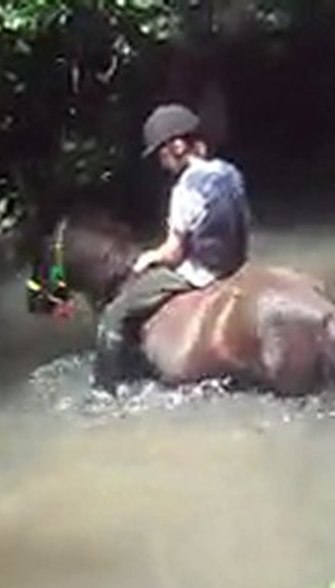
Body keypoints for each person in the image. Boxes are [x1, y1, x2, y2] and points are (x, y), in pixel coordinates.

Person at [93, 103, 251, 391]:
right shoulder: (229, 172)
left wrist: (148, 258)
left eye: (160, 153)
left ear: (176, 147)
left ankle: (102, 394)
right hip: (237, 264)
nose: (160, 162)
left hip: (201, 273)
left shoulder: (185, 189)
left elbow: (174, 252)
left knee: (114, 314)